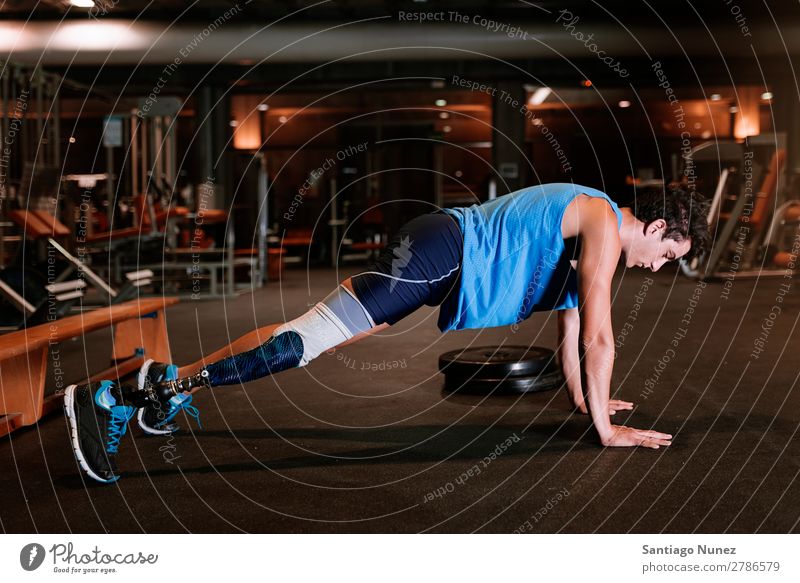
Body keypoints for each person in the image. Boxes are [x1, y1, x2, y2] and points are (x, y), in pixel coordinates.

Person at [64, 183, 709, 484]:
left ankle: (168, 385)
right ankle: (112, 401)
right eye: (669, 253)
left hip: (438, 254)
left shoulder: (591, 227)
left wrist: (582, 400)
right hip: (442, 252)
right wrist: (605, 428)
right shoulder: (599, 218)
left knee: (315, 334)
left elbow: (572, 328)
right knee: (305, 343)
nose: (661, 267)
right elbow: (600, 331)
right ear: (653, 227)